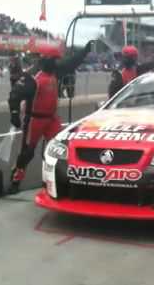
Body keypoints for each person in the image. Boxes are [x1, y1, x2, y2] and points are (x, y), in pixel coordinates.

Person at [7, 41, 92, 194]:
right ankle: (16, 180)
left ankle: (51, 178)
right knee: (27, 152)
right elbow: (15, 94)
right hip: (34, 120)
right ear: (46, 60)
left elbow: (70, 63)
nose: (57, 63)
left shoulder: (55, 71)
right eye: (54, 60)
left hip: (51, 118)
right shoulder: (32, 77)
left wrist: (84, 52)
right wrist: (14, 113)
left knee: (58, 148)